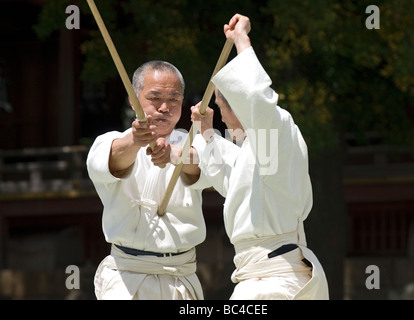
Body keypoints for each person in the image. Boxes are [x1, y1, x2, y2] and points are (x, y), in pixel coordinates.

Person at [191, 14, 329, 299]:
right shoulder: (260, 149)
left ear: (239, 105)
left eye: (221, 108)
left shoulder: (276, 130)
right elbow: (233, 179)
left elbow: (255, 95)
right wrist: (207, 135)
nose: (223, 121)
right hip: (263, 277)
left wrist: (241, 40)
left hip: (274, 280)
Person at [87, 60, 208, 300]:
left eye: (174, 99)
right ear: (134, 101)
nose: (165, 107)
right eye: (155, 98)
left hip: (179, 278)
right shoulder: (110, 141)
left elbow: (204, 165)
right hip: (126, 280)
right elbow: (111, 160)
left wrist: (174, 154)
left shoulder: (195, 143)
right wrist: (135, 141)